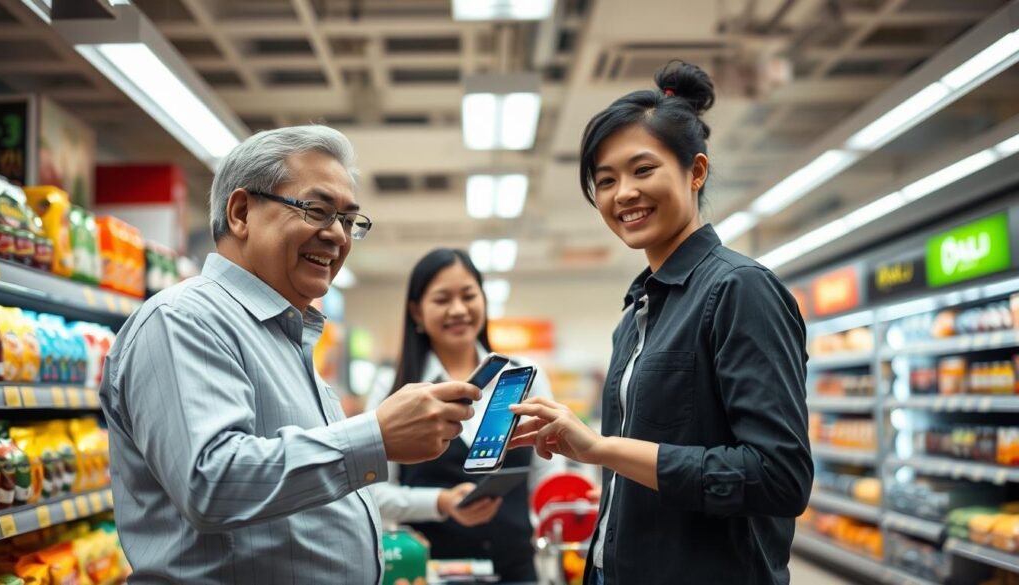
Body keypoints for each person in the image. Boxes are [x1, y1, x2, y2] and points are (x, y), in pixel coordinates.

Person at [99, 126, 481, 584]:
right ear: (241, 212)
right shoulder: (183, 320)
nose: (338, 236)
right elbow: (211, 482)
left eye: (347, 220)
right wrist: (375, 437)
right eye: (318, 211)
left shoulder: (287, 338)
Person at [507, 61, 813, 585]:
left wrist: (602, 449)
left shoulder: (741, 290)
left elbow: (779, 477)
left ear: (695, 172)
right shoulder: (636, 315)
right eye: (605, 180)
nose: (623, 192)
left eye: (643, 170)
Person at [367, 248, 565, 582]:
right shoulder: (396, 388)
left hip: (517, 570)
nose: (458, 310)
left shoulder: (524, 377)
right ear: (416, 311)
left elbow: (548, 475)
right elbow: (371, 491)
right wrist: (440, 502)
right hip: (431, 572)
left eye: (468, 295)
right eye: (442, 299)